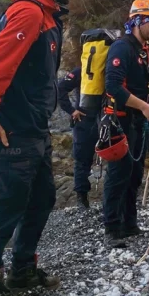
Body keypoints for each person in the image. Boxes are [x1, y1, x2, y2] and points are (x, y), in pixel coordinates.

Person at [0, 0, 86, 296]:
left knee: (41, 197)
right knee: (7, 201)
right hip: (13, 127)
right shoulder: (28, 14)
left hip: (35, 126)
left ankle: (22, 269)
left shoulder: (47, 15)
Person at [103, 0, 149, 245]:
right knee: (118, 174)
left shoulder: (144, 49)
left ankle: (130, 223)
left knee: (134, 174)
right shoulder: (122, 48)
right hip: (121, 120)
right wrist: (144, 106)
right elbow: (112, 86)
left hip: (138, 120)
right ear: (138, 22)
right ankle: (112, 228)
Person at [57, 65, 100, 210]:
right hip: (91, 119)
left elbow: (61, 88)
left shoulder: (84, 69)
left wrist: (71, 110)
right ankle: (82, 198)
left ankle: (82, 200)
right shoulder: (84, 70)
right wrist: (71, 110)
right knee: (83, 161)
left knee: (82, 161)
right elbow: (61, 88)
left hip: (89, 120)